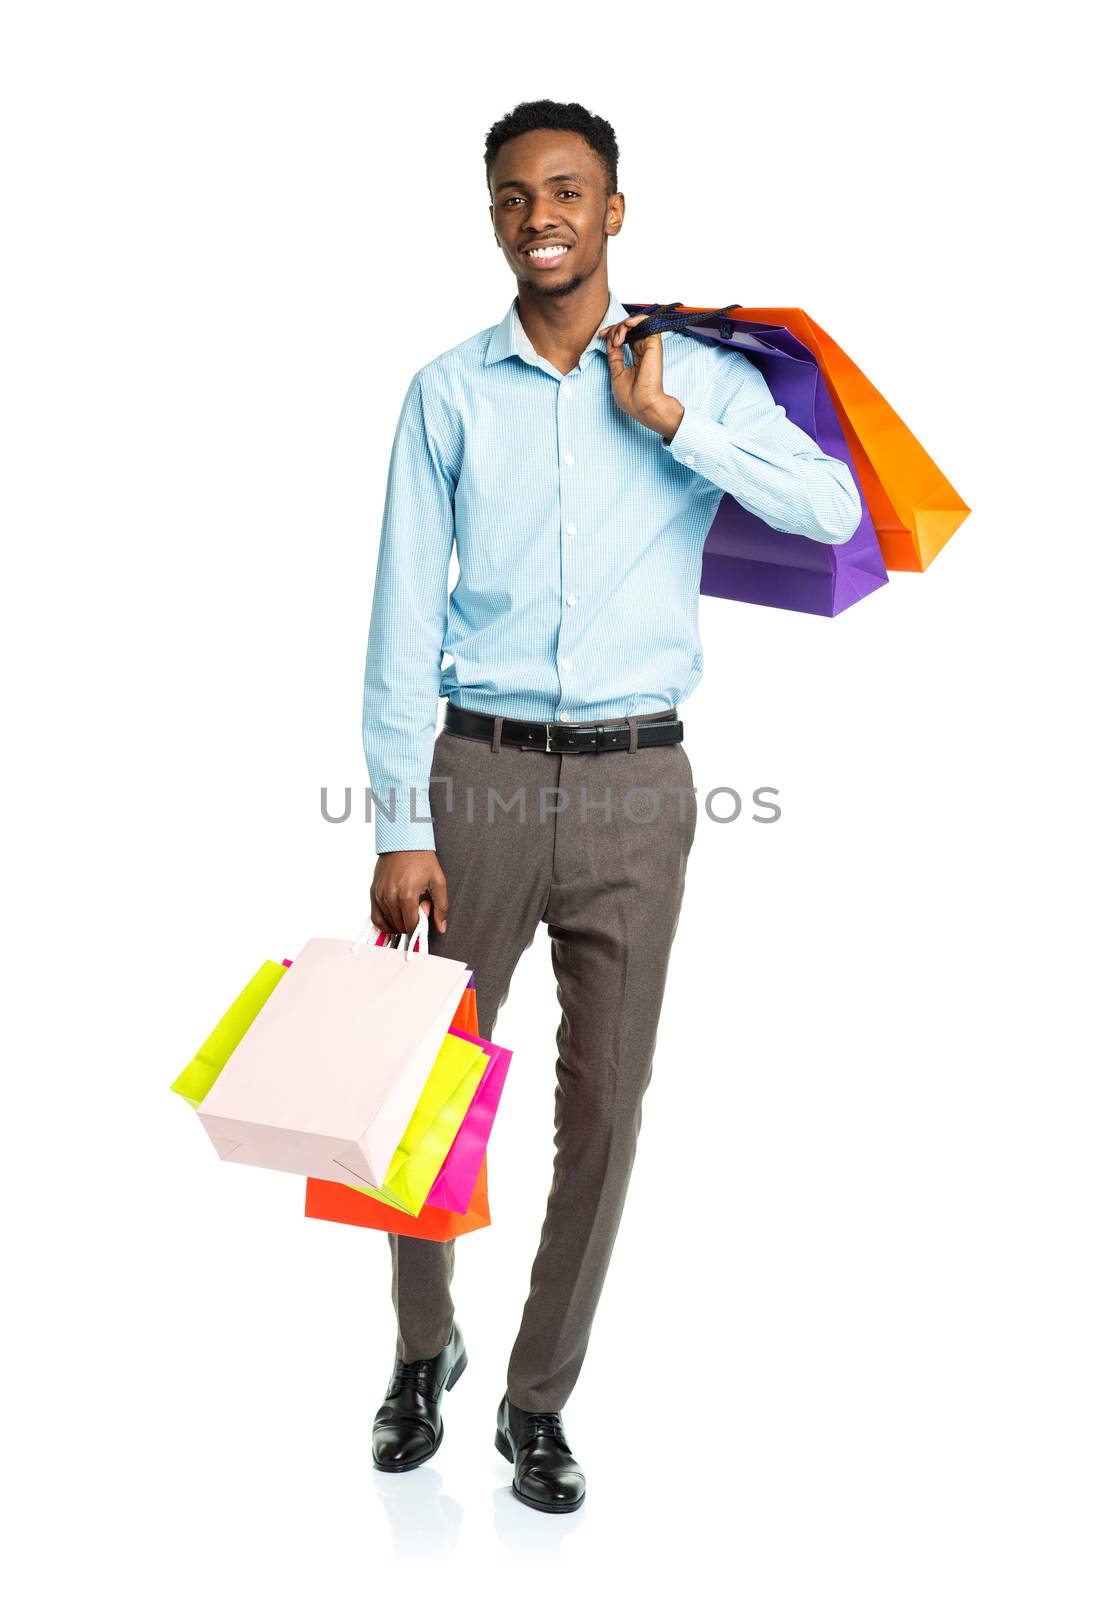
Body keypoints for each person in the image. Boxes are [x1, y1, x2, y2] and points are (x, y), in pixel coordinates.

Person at [362, 98, 862, 1514]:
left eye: (567, 190)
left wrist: (677, 425)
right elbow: (401, 617)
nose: (541, 216)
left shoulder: (697, 372)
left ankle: (537, 1399)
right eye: (515, 196)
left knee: (606, 1103)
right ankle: (419, 1349)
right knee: (422, 1090)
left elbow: (829, 510)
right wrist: (401, 817)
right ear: (496, 218)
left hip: (642, 781)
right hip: (477, 777)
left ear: (614, 210)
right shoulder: (446, 393)